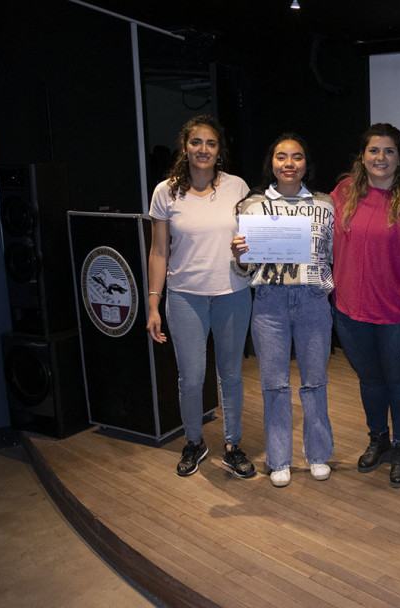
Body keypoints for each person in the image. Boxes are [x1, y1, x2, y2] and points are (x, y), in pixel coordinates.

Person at [330, 123, 400, 489]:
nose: (381, 157)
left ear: (399, 157)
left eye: (388, 151)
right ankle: (378, 438)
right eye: (374, 150)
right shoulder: (343, 193)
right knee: (371, 381)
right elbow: (315, 238)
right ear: (362, 156)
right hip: (350, 311)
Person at [147, 114, 256, 479]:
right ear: (185, 147)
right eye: (196, 142)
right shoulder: (165, 191)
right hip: (183, 297)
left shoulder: (238, 187)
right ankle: (194, 442)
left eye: (210, 143)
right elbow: (159, 251)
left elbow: (251, 243)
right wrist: (153, 303)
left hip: (232, 294)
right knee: (191, 378)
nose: (203, 149)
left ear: (219, 150)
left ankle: (232, 445)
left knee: (231, 376)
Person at [230, 134, 335, 488]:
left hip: (312, 300)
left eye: (297, 157)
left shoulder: (326, 205)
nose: (289, 163)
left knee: (315, 381)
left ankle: (318, 454)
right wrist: (240, 256)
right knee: (274, 385)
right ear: (271, 163)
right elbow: (245, 269)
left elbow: (335, 255)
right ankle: (279, 460)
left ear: (306, 163)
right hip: (270, 303)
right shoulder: (250, 206)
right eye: (281, 156)